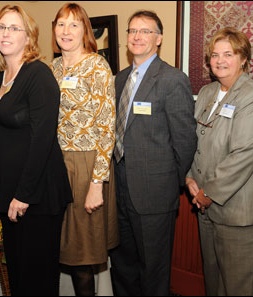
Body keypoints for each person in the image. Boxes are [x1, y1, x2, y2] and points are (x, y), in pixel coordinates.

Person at [0, 5, 73, 296]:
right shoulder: (0, 78)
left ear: (29, 38)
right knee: (20, 277)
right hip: (10, 193)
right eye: (2, 27)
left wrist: (23, 194)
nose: (6, 33)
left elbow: (42, 139)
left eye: (15, 28)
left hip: (37, 195)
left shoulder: (39, 75)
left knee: (37, 280)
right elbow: (1, 139)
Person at [109, 10, 197, 296]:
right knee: (122, 265)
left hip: (154, 194)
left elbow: (184, 141)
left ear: (158, 38)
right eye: (132, 30)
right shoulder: (119, 80)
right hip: (118, 187)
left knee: (153, 270)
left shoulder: (172, 79)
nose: (137, 36)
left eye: (145, 31)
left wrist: (170, 183)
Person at [185, 27, 253, 296]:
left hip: (241, 212)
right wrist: (189, 176)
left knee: (239, 287)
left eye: (228, 54)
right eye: (215, 55)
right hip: (206, 205)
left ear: (244, 58)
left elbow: (245, 154)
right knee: (213, 283)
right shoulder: (206, 92)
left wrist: (208, 193)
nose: (220, 60)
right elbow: (194, 139)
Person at [49, 3, 118, 296]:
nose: (66, 31)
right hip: (55, 163)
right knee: (58, 246)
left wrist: (96, 184)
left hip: (86, 165)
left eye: (74, 25)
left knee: (82, 256)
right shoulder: (51, 67)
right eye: (61, 24)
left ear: (85, 31)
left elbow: (107, 128)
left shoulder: (97, 66)